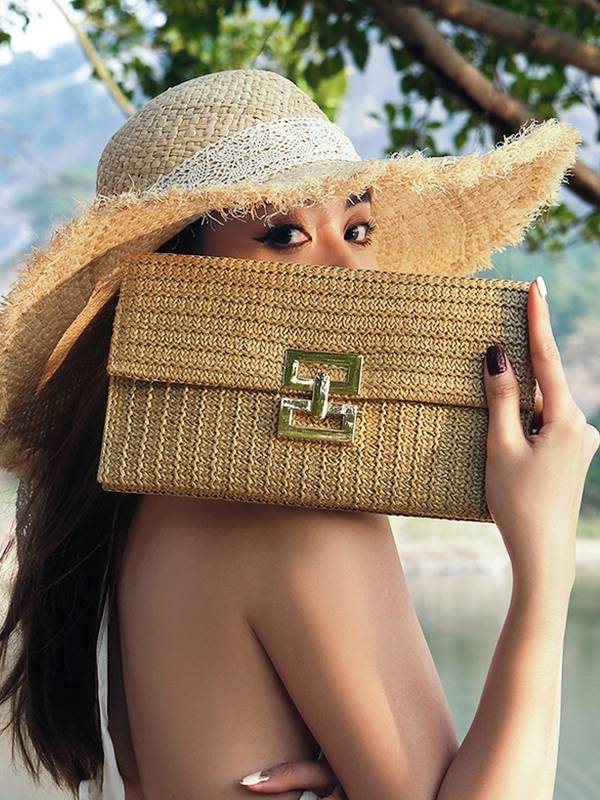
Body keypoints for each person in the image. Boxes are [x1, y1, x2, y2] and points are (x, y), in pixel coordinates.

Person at [0, 68, 595, 800]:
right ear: (175, 286)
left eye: (358, 229)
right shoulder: (294, 514)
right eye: (285, 235)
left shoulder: (143, 513)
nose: (350, 272)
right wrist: (546, 570)